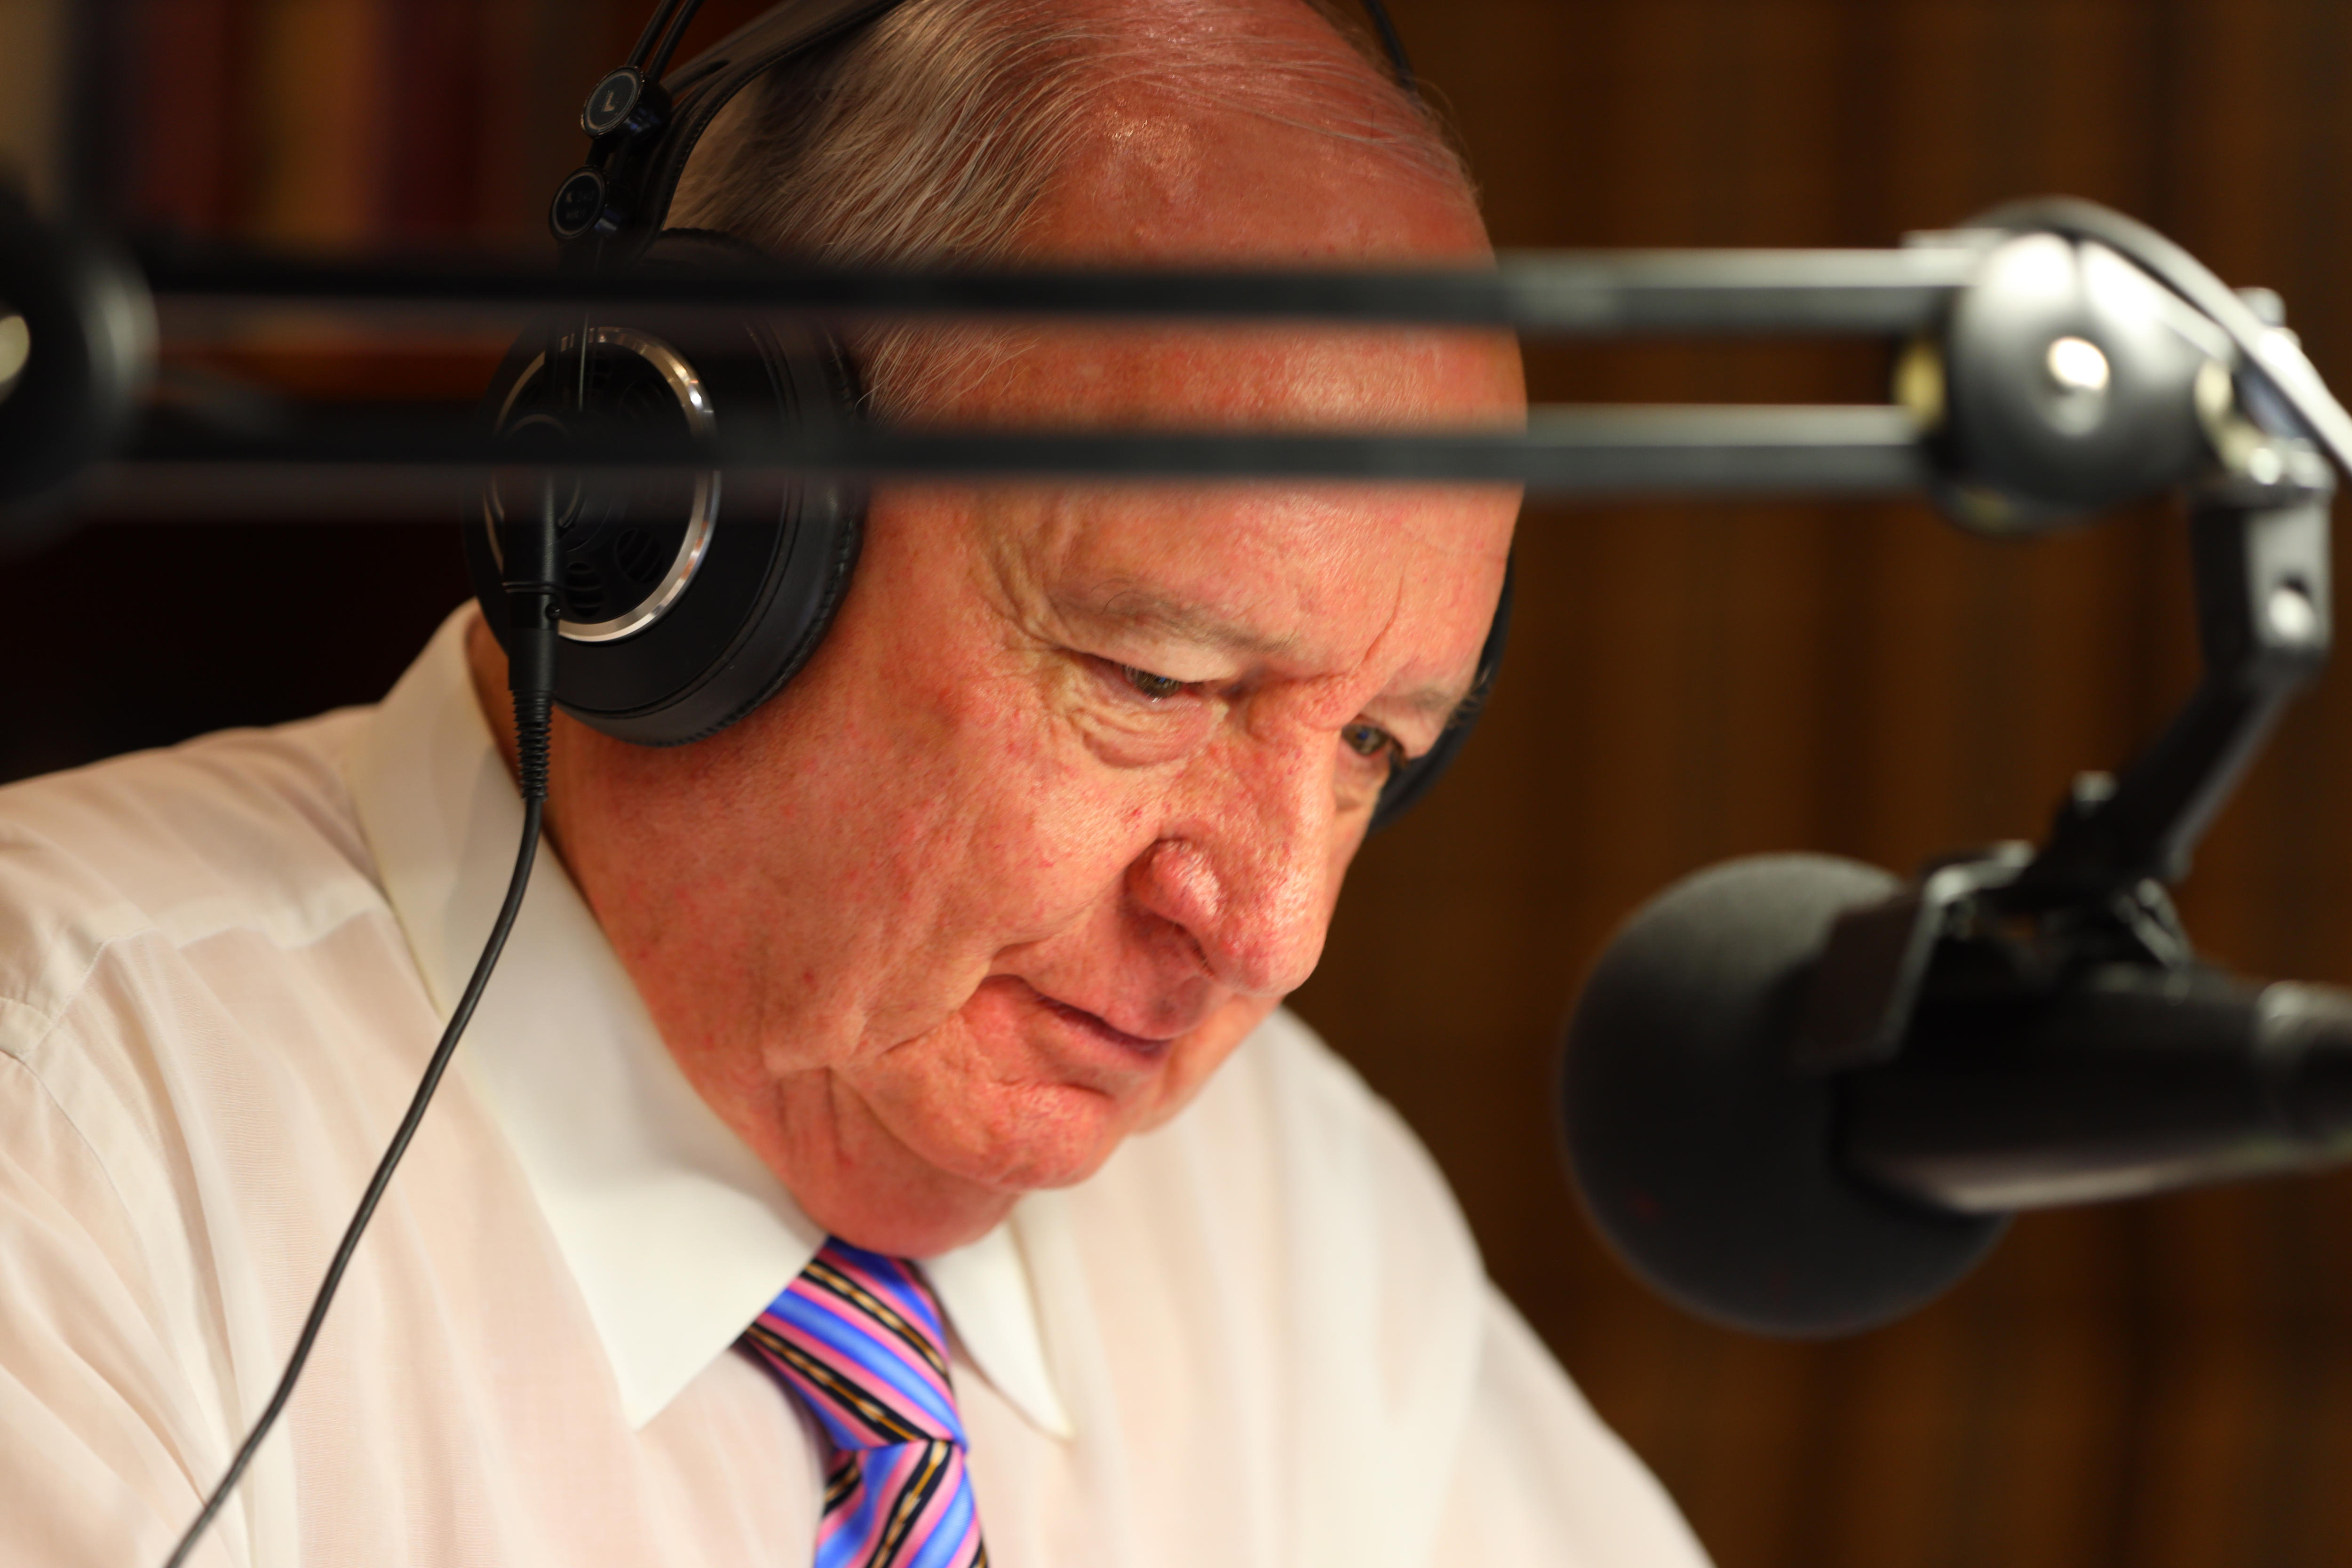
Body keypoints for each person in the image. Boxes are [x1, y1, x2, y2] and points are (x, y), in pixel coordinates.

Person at [0, 1, 1713, 1565]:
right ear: (694, 528)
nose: (1272, 933)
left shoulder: (1293, 1211)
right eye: (1159, 679)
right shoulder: (65, 1137)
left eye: (1372, 746)